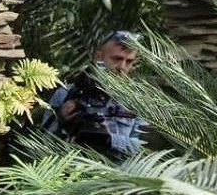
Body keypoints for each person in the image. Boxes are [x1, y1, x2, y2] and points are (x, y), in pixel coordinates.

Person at [42, 30, 146, 161]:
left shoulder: (139, 102)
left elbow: (145, 150)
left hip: (117, 172)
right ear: (98, 57)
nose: (122, 67)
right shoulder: (66, 93)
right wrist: (60, 119)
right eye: (117, 59)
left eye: (129, 61)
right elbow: (42, 143)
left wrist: (109, 139)